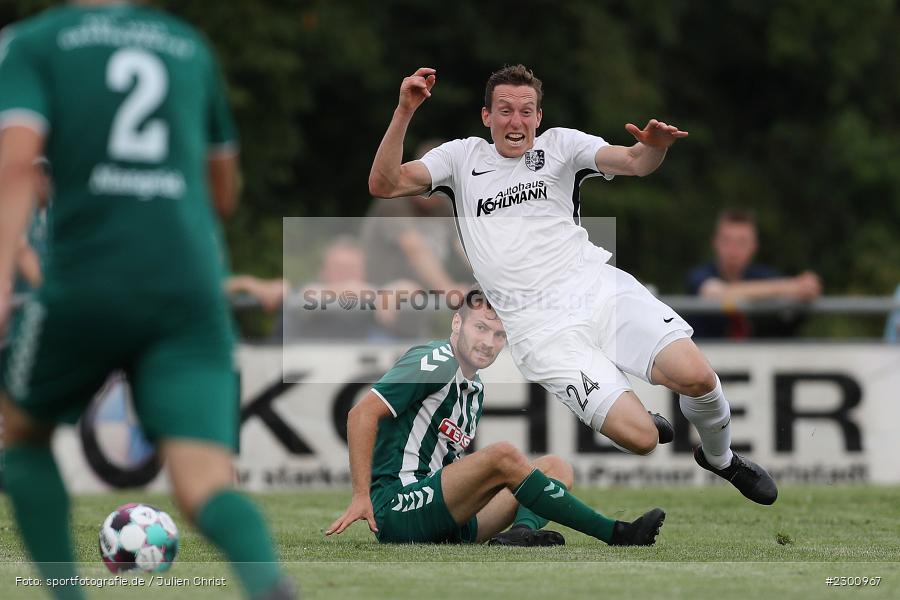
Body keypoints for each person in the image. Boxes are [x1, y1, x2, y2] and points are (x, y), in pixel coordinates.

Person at [368, 64, 778, 506]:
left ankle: (721, 459)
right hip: (540, 332)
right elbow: (384, 183)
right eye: (504, 111)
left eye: (526, 111)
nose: (516, 121)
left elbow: (635, 162)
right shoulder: (461, 158)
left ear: (539, 117)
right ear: (486, 116)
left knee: (697, 378)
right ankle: (635, 410)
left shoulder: (562, 146)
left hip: (597, 290)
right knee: (642, 440)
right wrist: (404, 110)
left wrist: (654, 148)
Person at [0, 2, 293, 598]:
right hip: (188, 287)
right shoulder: (188, 46)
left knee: (20, 435)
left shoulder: (32, 43)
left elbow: (15, 164)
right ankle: (270, 590)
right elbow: (224, 193)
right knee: (206, 483)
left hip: (89, 277)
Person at [326, 288, 665, 547]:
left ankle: (521, 534)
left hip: (448, 521)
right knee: (503, 455)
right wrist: (361, 496)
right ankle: (617, 533)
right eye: (481, 328)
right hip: (398, 510)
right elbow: (361, 414)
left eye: (499, 335)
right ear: (457, 323)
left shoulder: (474, 386)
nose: (488, 342)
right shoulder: (436, 358)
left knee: (556, 467)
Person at [361, 140, 470, 338]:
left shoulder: (444, 208)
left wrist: (493, 283)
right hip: (381, 305)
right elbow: (414, 248)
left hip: (419, 310)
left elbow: (467, 247)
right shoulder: (394, 203)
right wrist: (450, 290)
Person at [686, 209, 822, 338]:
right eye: (726, 241)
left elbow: (807, 290)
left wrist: (806, 285)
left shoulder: (765, 275)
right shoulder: (699, 275)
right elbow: (718, 294)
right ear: (715, 242)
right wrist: (789, 286)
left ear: (754, 246)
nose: (733, 250)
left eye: (741, 242)